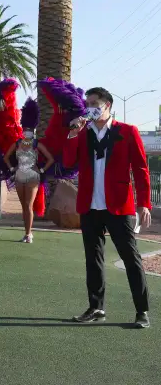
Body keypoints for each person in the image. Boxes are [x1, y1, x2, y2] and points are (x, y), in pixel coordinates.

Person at [65, 87, 152, 329]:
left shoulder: (127, 131)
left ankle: (141, 311)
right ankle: (96, 307)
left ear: (108, 105)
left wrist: (144, 203)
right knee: (93, 259)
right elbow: (69, 162)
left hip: (119, 206)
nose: (90, 106)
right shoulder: (82, 133)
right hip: (90, 206)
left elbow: (141, 169)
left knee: (131, 259)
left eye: (95, 102)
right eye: (88, 103)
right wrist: (73, 134)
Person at [3, 100, 54, 243]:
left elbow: (50, 158)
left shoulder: (37, 144)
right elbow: (6, 157)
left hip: (32, 176)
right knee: (23, 206)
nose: (27, 131)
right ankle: (26, 233)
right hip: (19, 175)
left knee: (29, 205)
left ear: (33, 130)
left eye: (30, 130)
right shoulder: (18, 143)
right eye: (25, 129)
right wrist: (12, 168)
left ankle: (28, 234)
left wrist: (42, 169)